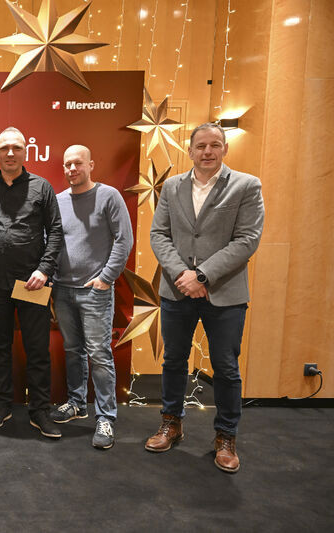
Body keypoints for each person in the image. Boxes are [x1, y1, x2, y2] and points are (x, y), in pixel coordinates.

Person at [146, 122, 264, 473]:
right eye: (200, 146)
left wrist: (202, 276)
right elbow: (159, 234)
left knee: (225, 367)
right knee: (173, 361)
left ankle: (226, 436)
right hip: (177, 290)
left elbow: (247, 240)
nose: (207, 152)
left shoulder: (246, 185)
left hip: (224, 293)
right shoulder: (172, 186)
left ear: (225, 148)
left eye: (214, 145)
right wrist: (183, 276)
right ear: (190, 150)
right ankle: (171, 423)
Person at [0, 127, 63, 439]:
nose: (10, 153)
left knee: (38, 350)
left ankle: (40, 411)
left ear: (25, 151)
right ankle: (1, 405)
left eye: (16, 147)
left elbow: (56, 231)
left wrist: (44, 270)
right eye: (4, 148)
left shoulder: (42, 187)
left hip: (33, 283)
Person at [51, 145, 133, 449]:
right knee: (72, 350)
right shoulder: (58, 201)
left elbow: (124, 240)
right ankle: (76, 403)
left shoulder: (109, 196)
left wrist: (106, 278)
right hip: (63, 289)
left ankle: (106, 417)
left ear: (91, 165)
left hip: (95, 291)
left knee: (99, 354)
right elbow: (52, 241)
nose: (72, 169)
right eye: (67, 164)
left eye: (78, 163)